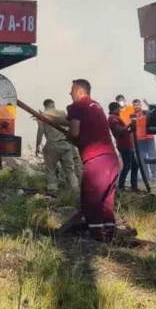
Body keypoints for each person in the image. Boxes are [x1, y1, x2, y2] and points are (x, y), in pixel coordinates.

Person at [46, 79, 120, 242]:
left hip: (97, 160)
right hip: (111, 160)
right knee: (106, 200)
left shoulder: (78, 106)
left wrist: (69, 136)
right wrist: (50, 118)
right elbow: (69, 121)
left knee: (90, 198)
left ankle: (95, 236)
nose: (70, 93)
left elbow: (74, 132)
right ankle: (110, 233)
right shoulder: (95, 105)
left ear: (79, 91)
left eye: (72, 90)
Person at [35, 99, 82, 195]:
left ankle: (53, 191)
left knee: (50, 169)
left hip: (52, 145)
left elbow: (40, 131)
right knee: (70, 170)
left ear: (45, 106)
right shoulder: (63, 113)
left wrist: (37, 146)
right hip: (66, 144)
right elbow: (70, 127)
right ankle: (76, 191)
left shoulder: (43, 115)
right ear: (53, 104)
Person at [109, 102, 138, 192]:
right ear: (115, 108)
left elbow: (123, 132)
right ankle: (121, 186)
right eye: (118, 108)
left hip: (128, 144)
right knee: (127, 166)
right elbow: (118, 131)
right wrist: (129, 125)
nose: (119, 110)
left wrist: (129, 130)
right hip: (124, 146)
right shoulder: (113, 118)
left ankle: (134, 186)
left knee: (135, 165)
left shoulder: (115, 118)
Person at [131, 99, 156, 183]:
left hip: (149, 138)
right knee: (142, 160)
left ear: (140, 105)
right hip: (139, 140)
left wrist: (148, 105)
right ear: (133, 106)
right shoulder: (132, 115)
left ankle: (154, 176)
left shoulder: (145, 112)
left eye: (138, 105)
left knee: (152, 157)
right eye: (135, 105)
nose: (136, 107)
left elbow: (152, 113)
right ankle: (146, 177)